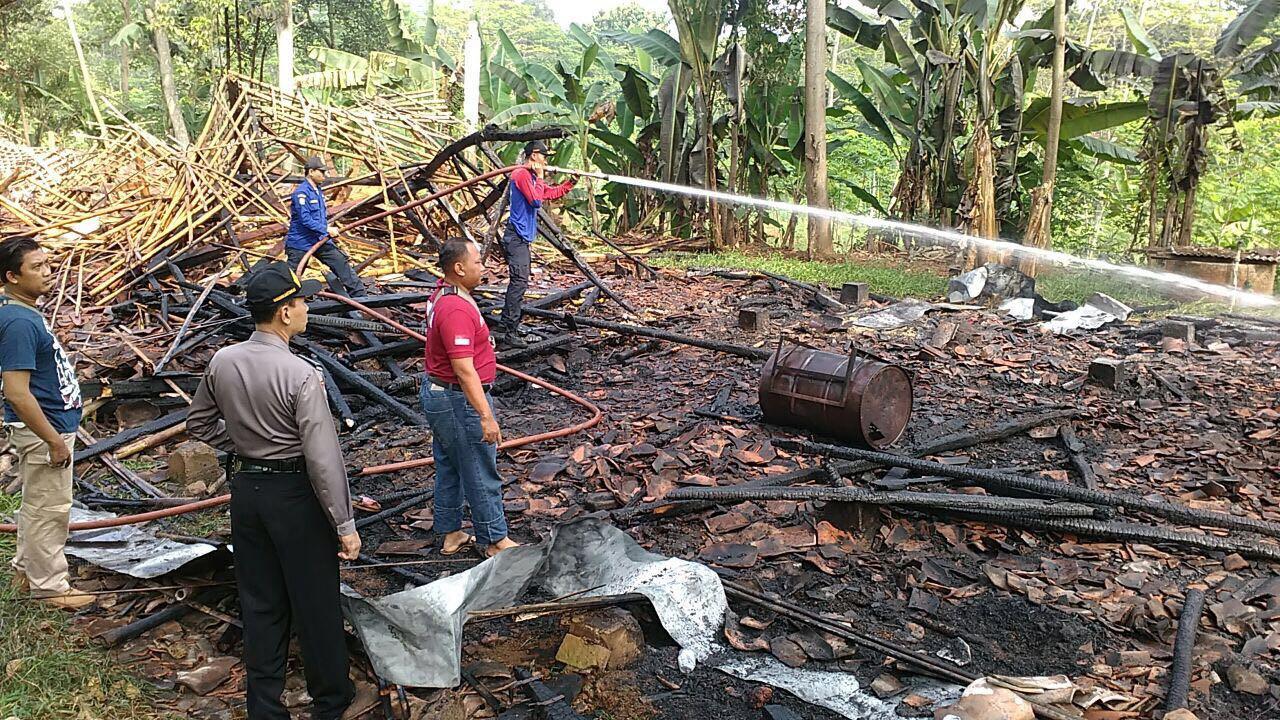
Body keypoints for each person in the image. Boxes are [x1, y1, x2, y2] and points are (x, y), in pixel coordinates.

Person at [187, 262, 360, 720]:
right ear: (284, 312)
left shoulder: (223, 361)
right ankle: (331, 700)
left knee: (260, 599)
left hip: (247, 493)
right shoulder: (300, 373)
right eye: (302, 302)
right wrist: (344, 524)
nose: (306, 309)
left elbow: (199, 423)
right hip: (294, 494)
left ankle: (264, 705)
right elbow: (322, 458)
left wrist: (243, 445)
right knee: (315, 599)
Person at [0, 236, 90, 610]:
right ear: (11, 276)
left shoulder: (22, 311)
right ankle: (50, 587)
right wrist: (52, 439)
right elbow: (17, 393)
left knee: (39, 505)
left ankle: (26, 572)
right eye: (36, 268)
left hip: (51, 424)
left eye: (48, 264)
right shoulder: (18, 322)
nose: (48, 273)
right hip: (44, 429)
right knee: (49, 509)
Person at [421, 239, 519, 558]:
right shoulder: (455, 308)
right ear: (459, 268)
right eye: (477, 262)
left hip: (442, 394)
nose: (483, 266)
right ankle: (493, 538)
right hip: (456, 399)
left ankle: (451, 532)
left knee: (450, 464)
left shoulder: (445, 294)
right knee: (479, 465)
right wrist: (485, 416)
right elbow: (464, 369)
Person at [498, 140, 575, 347]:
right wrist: (540, 176)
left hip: (523, 237)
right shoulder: (521, 174)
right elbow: (536, 201)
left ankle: (505, 323)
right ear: (534, 155)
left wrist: (570, 183)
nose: (545, 160)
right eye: (544, 156)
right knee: (519, 282)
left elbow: (547, 193)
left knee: (519, 281)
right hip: (516, 237)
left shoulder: (531, 176)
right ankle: (509, 332)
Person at [284, 156, 365, 297]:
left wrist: (325, 231)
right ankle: (282, 303)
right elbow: (306, 220)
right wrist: (326, 229)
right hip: (301, 243)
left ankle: (361, 298)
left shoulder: (318, 191)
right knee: (291, 278)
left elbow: (320, 217)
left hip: (320, 240)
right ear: (311, 172)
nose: (324, 175)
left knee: (341, 263)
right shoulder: (301, 193)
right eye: (320, 172)